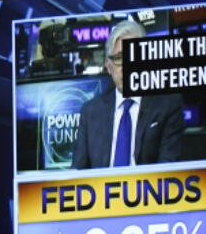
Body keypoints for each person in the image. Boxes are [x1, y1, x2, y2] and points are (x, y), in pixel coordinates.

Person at [71, 19, 184, 170]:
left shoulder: (168, 105)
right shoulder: (90, 112)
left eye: (134, 56)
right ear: (108, 66)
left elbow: (168, 170)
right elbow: (77, 174)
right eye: (119, 58)